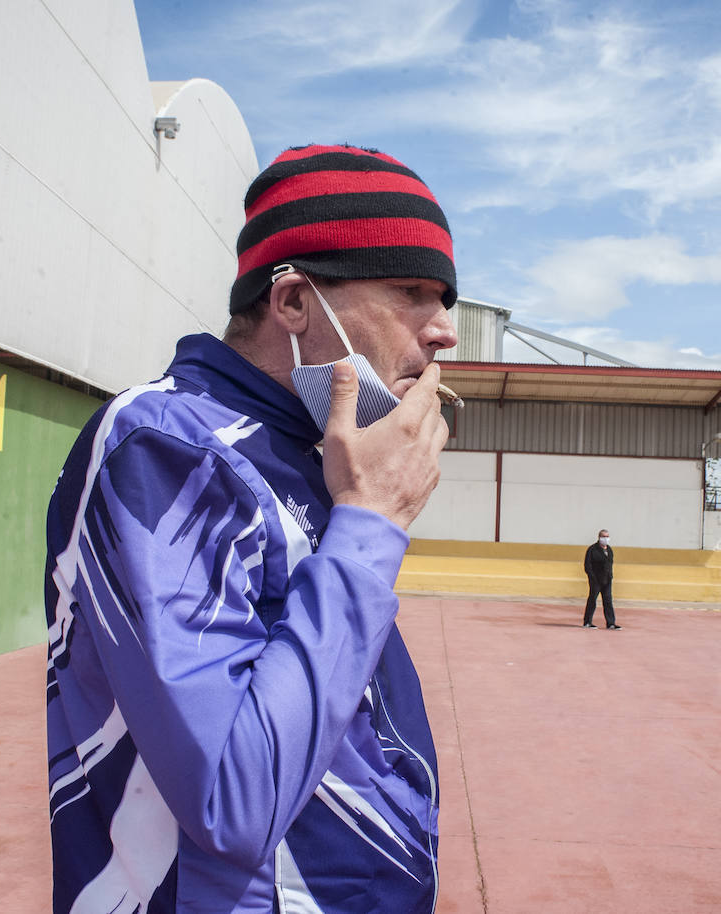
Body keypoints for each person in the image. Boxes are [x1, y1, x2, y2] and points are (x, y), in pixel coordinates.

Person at [44, 144, 458, 914]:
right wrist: (371, 522)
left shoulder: (311, 454)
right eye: (411, 291)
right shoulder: (168, 445)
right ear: (294, 302)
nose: (444, 332)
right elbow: (235, 798)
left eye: (446, 299)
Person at [583, 528, 620, 629]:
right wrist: (592, 577)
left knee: (608, 601)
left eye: (607, 537)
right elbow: (587, 565)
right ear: (599, 538)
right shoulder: (592, 550)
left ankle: (611, 623)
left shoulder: (609, 550)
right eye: (604, 536)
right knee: (592, 600)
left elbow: (609, 564)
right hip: (596, 580)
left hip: (607, 580)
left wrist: (610, 576)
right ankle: (587, 622)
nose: (606, 539)